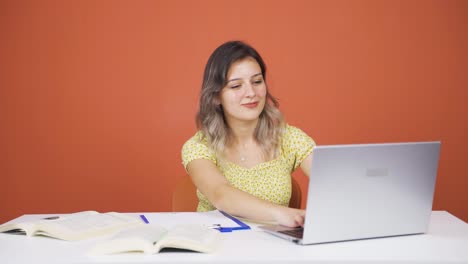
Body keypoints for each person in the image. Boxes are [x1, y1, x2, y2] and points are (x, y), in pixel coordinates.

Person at [181, 40, 315, 227]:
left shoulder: (289, 138)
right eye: (236, 86)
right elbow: (222, 195)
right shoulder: (198, 147)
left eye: (257, 81)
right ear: (216, 96)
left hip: (275, 249)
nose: (251, 93)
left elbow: (336, 181)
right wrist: (282, 214)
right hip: (218, 248)